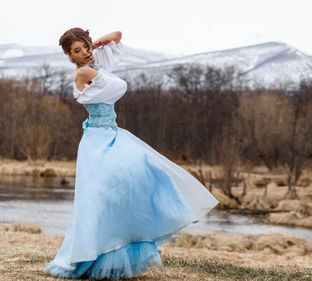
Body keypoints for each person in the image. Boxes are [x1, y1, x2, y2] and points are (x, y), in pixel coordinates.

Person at [43, 27, 219, 280]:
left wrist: (99, 42)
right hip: (97, 141)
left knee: (138, 177)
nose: (84, 53)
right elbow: (119, 86)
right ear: (70, 56)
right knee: (99, 200)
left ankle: (122, 243)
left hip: (112, 135)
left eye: (85, 47)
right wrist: (96, 51)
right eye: (77, 51)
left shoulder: (94, 59)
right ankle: (92, 255)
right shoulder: (85, 71)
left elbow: (118, 34)